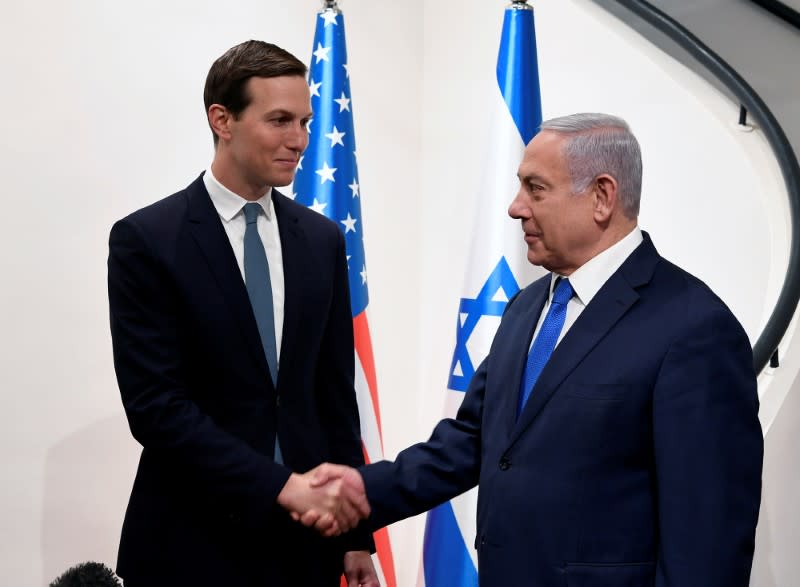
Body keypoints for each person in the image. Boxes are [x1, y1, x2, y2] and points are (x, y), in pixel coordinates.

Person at [307, 113, 764, 586]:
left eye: (536, 189)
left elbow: (707, 542)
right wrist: (363, 489)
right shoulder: (528, 307)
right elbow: (472, 442)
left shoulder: (694, 327)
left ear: (602, 197)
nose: (515, 207)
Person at [107, 40, 377, 587]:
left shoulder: (322, 242)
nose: (299, 140)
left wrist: (354, 538)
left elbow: (333, 399)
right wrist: (280, 485)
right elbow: (156, 409)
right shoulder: (148, 240)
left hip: (304, 547)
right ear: (222, 119)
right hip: (188, 542)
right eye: (279, 120)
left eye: (304, 121)